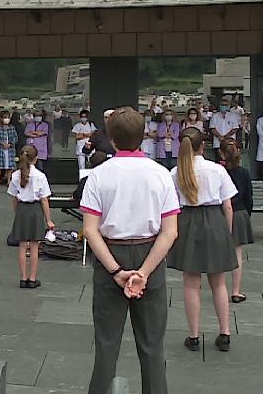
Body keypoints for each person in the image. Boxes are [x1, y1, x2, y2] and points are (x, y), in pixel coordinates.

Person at [80, 108, 179, 394]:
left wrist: (116, 270)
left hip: (111, 254)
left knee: (107, 345)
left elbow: (90, 229)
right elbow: (170, 231)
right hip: (151, 254)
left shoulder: (99, 176)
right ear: (144, 136)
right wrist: (144, 272)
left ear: (111, 138)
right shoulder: (161, 174)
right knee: (152, 348)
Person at [168, 127, 238, 353]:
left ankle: (194, 335)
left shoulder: (175, 172)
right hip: (214, 220)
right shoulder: (216, 169)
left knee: (191, 282)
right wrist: (226, 232)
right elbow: (228, 205)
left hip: (187, 220)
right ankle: (225, 332)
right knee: (218, 282)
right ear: (203, 145)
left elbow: (171, 204)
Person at [9, 145, 53, 289]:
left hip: (22, 209)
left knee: (22, 245)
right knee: (34, 245)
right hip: (35, 209)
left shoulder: (15, 175)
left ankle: (23, 278)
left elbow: (14, 198)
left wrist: (18, 212)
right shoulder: (40, 176)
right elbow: (44, 200)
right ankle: (32, 278)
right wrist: (48, 220)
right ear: (35, 158)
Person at [220, 139, 253, 303]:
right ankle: (235, 290)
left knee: (217, 252)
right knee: (238, 252)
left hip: (219, 213)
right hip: (239, 212)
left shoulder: (219, 171)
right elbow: (249, 197)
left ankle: (218, 288)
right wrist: (247, 214)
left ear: (221, 154)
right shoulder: (244, 173)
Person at [0, 111, 18, 188]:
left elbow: (15, 137)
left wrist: (10, 144)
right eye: (5, 117)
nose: (7, 119)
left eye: (8, 117)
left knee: (9, 166)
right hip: (0, 149)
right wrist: (2, 143)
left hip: (10, 149)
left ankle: (9, 181)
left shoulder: (12, 128)